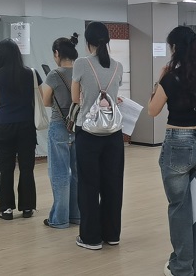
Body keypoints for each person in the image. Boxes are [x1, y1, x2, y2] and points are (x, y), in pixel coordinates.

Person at [148, 26, 196, 276]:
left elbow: (152, 110)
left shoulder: (170, 78)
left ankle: (181, 266)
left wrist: (159, 80)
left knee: (179, 207)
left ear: (175, 48)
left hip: (178, 142)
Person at [71, 21, 124, 250]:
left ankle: (91, 238)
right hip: (113, 133)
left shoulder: (81, 63)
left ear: (88, 41)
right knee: (113, 184)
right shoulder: (118, 66)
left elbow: (75, 98)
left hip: (88, 131)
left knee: (88, 185)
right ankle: (112, 234)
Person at [0, 39, 41, 220]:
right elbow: (40, 97)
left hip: (5, 125)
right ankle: (27, 207)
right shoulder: (31, 73)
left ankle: (6, 209)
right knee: (27, 168)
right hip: (27, 125)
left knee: (6, 169)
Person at [42, 33, 80, 228]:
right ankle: (76, 215)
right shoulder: (81, 72)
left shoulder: (54, 75)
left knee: (59, 173)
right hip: (78, 126)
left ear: (57, 53)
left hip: (59, 125)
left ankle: (59, 219)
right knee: (77, 173)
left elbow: (46, 101)